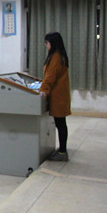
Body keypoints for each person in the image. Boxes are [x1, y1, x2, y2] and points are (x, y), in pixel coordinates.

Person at [39, 32, 71, 162]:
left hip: (58, 95)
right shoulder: (59, 55)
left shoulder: (56, 57)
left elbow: (50, 77)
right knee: (60, 123)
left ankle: (62, 152)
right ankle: (62, 149)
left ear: (52, 43)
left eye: (47, 43)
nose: (45, 45)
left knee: (60, 123)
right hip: (59, 94)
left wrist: (43, 90)